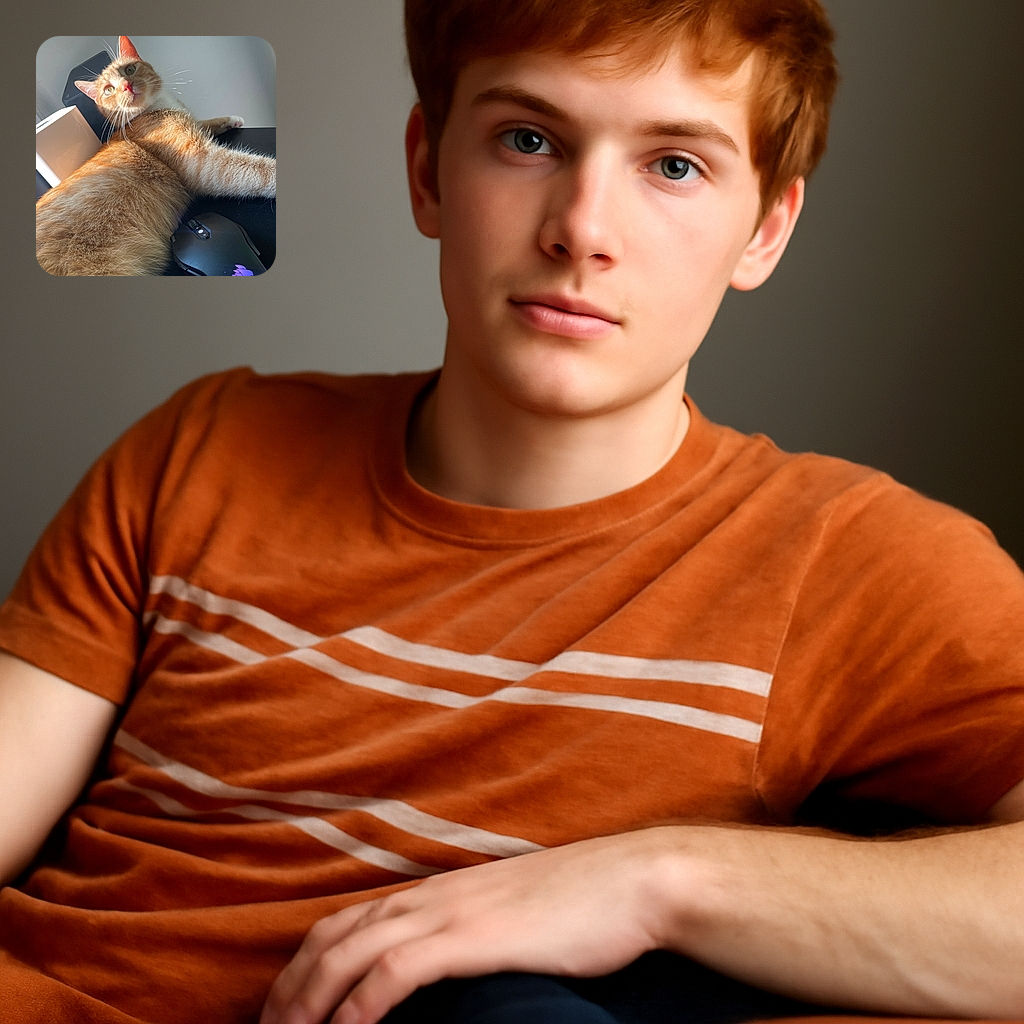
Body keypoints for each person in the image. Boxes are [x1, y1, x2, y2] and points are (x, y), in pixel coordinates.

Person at [2, 2, 1023, 1023]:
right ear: (428, 171)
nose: (583, 229)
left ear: (764, 231)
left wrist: (661, 882)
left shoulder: (847, 559)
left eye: (674, 166)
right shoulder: (205, 447)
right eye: (528, 140)